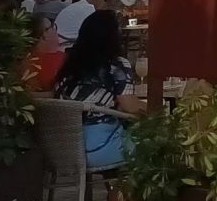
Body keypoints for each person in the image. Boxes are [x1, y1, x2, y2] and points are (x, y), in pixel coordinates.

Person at [54, 10, 143, 169]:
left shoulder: (69, 66)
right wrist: (157, 109)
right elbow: (131, 106)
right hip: (100, 149)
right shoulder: (115, 65)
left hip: (65, 150)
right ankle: (125, 192)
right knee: (154, 141)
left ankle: (113, 192)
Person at [24, 15, 65, 92]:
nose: (55, 30)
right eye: (52, 27)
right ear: (44, 36)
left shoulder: (29, 60)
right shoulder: (32, 64)